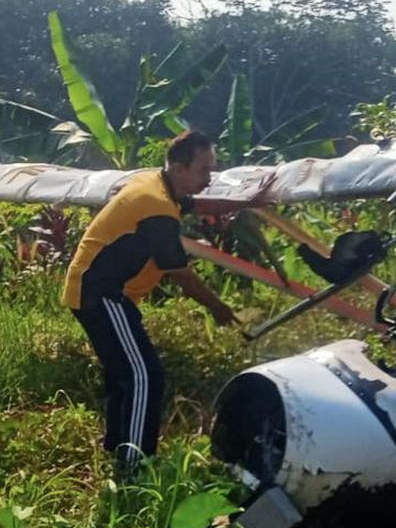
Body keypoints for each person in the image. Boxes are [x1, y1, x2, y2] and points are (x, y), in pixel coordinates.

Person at [63, 130, 271, 472]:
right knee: (146, 376)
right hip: (102, 293)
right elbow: (179, 273)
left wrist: (242, 201)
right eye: (203, 170)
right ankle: (134, 466)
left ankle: (117, 449)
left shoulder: (156, 185)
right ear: (178, 167)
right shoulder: (157, 207)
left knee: (122, 374)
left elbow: (192, 204)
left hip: (95, 289)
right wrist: (219, 308)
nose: (209, 178)